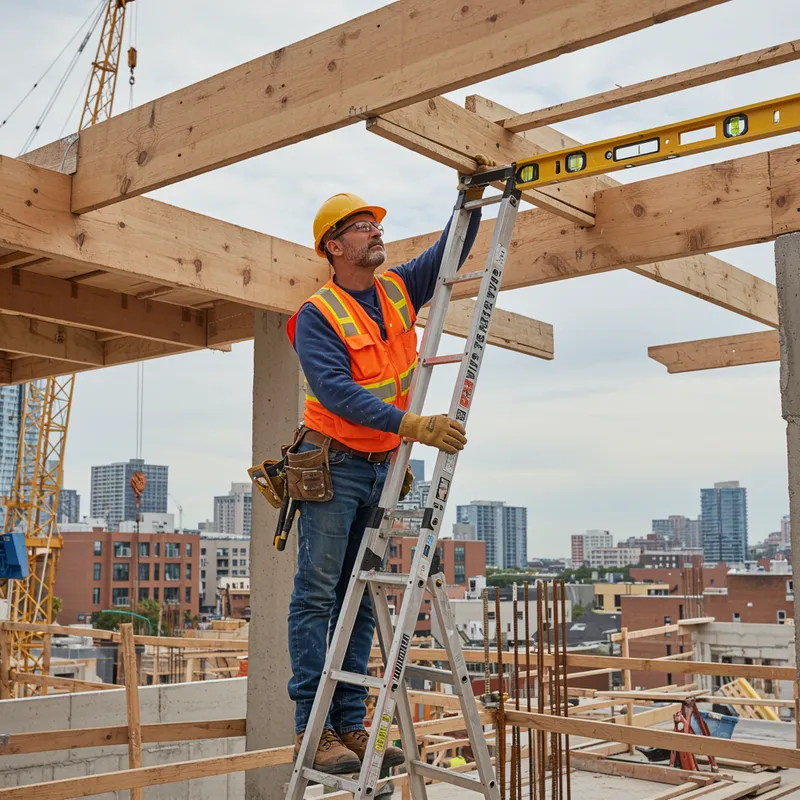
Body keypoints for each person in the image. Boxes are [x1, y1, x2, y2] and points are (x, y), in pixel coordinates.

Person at [285, 157, 493, 774]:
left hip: (381, 467)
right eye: (363, 227)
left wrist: (472, 200)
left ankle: (350, 725)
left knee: (362, 594)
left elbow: (449, 250)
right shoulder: (316, 315)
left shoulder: (399, 288)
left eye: (376, 225)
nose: (376, 232)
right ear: (335, 247)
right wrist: (416, 426)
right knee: (318, 595)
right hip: (333, 465)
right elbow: (338, 390)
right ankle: (312, 728)